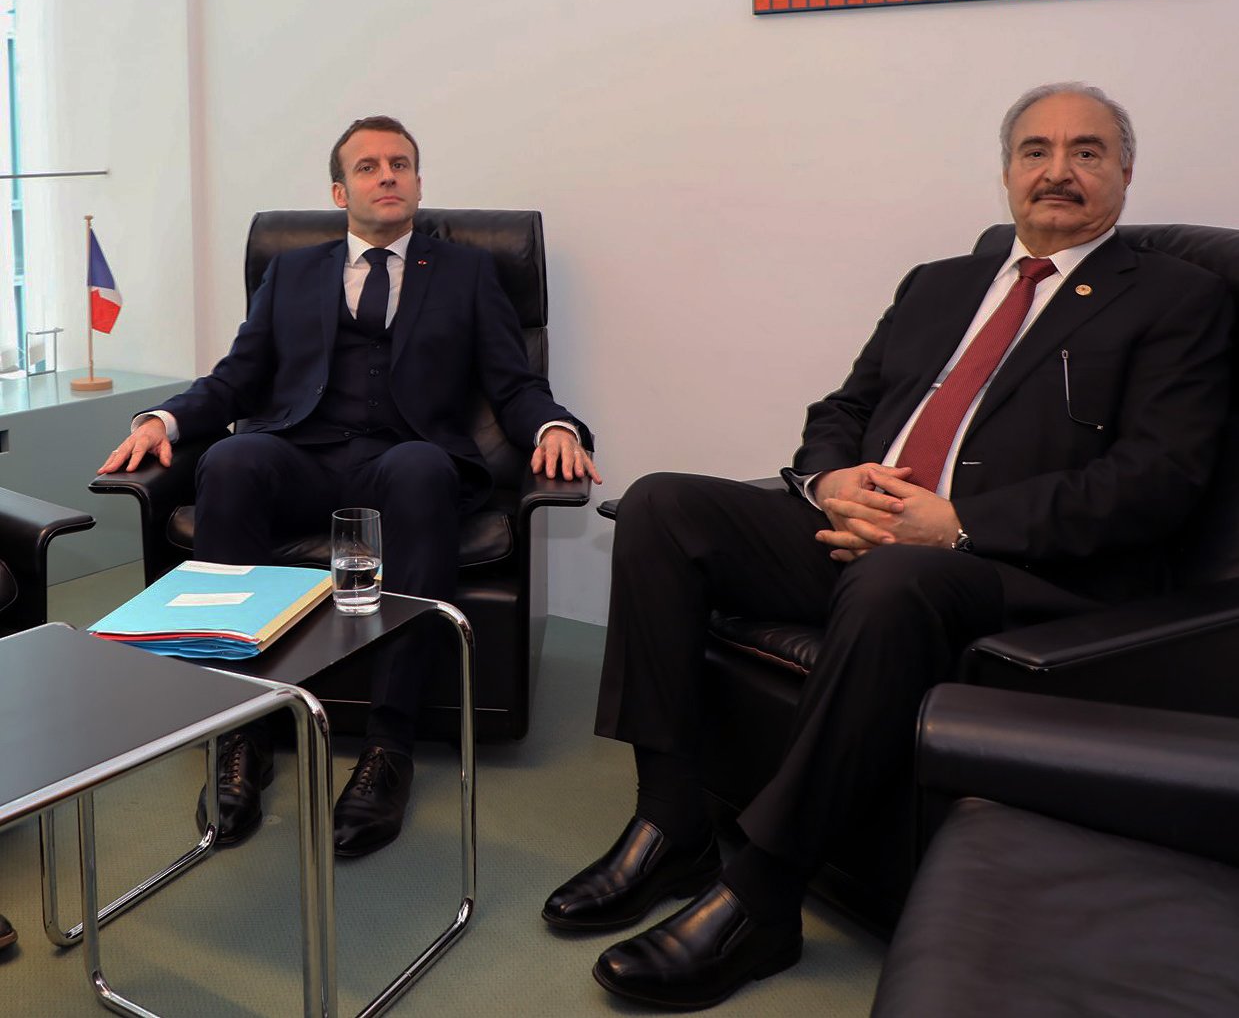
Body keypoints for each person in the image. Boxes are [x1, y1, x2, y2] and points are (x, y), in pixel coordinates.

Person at [543, 83, 1232, 1009]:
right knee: (665, 506)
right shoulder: (939, 282)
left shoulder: (1180, 297)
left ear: (1124, 170)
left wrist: (952, 523)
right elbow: (843, 410)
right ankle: (670, 819)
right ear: (1006, 172)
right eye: (1034, 150)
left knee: (899, 578)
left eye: (1086, 151)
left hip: (1020, 566)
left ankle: (762, 894)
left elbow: (1156, 481)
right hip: (874, 523)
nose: (1057, 170)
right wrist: (829, 483)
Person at [100, 114, 599, 857]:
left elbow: (515, 381)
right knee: (233, 462)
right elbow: (237, 377)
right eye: (368, 166)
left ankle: (389, 745)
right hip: (303, 454)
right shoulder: (292, 271)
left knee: (422, 466)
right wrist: (165, 419)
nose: (387, 174)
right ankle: (245, 729)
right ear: (341, 190)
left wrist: (557, 428)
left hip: (402, 459)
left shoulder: (465, 274)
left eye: (400, 163)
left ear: (420, 184)